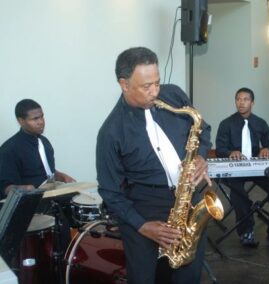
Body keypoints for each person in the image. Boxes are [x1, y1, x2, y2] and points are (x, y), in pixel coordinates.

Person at [96, 47, 212, 284]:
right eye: (146, 86)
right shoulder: (111, 131)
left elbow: (203, 130)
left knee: (188, 276)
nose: (155, 92)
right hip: (146, 211)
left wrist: (200, 157)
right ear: (124, 84)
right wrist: (142, 226)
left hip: (189, 200)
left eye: (157, 83)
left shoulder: (174, 96)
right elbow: (110, 191)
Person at [215, 87, 269, 247]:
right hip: (235, 170)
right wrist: (231, 152)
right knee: (238, 193)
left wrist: (267, 149)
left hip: (257, 168)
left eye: (245, 99)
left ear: (252, 103)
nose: (241, 103)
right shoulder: (226, 124)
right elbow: (219, 149)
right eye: (238, 99)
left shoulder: (261, 123)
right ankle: (246, 231)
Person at [0, 99, 76, 199]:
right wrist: (25, 188)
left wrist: (61, 176)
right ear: (21, 121)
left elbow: (47, 172)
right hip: (28, 205)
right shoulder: (9, 149)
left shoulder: (44, 142)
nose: (41, 122)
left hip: (49, 200)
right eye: (35, 119)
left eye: (42, 117)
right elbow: (4, 188)